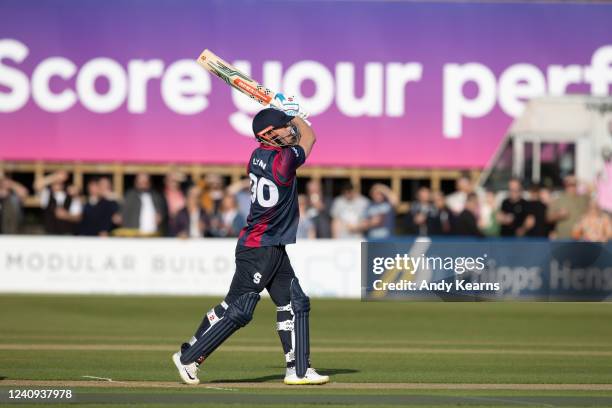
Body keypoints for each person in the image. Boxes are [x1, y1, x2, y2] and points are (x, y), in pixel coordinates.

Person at [173, 100, 329, 386]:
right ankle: (189, 357)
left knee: (295, 302)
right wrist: (296, 115)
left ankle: (299, 369)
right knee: (239, 307)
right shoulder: (283, 161)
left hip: (271, 243)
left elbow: (300, 135)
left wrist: (289, 116)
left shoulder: (257, 154)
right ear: (269, 134)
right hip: (259, 246)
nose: (290, 130)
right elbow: (311, 137)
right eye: (283, 128)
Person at [34, 171, 82, 235]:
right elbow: (37, 185)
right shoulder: (46, 194)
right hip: (49, 234)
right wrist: (55, 176)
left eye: (60, 182)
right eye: (55, 182)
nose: (58, 183)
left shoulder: (72, 196)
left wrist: (67, 215)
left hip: (67, 234)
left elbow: (78, 217)